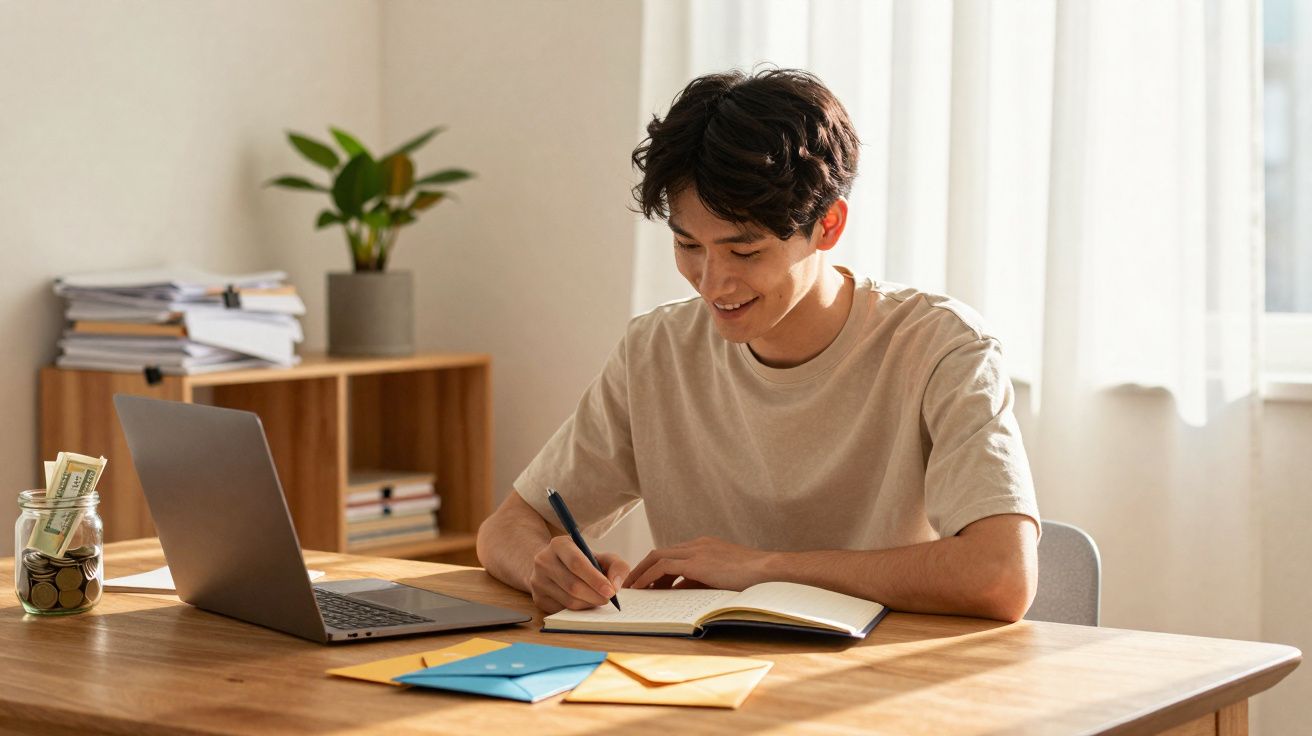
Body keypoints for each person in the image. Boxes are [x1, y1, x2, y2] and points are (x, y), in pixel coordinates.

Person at [476, 68, 1041, 622]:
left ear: (828, 225)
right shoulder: (657, 350)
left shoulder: (941, 346)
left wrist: (764, 568)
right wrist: (541, 568)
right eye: (688, 246)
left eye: (744, 252)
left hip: (873, 672)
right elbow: (508, 527)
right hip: (696, 671)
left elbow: (1001, 574)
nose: (712, 283)